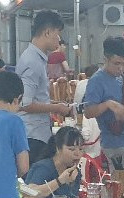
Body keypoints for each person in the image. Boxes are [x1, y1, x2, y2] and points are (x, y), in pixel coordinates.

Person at [84, 36, 124, 181]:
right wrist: (108, 104)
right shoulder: (97, 80)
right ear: (105, 59)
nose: (121, 68)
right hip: (115, 142)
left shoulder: (123, 75)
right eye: (116, 63)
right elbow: (88, 112)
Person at [17, 10, 74, 161]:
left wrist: (56, 103)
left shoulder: (37, 58)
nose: (59, 38)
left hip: (37, 134)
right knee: (34, 183)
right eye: (58, 33)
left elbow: (35, 97)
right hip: (32, 136)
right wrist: (56, 108)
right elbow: (24, 103)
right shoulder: (32, 61)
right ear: (47, 32)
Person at [19, 125, 82, 198]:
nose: (77, 153)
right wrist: (59, 181)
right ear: (58, 148)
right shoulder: (43, 167)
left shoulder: (75, 172)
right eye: (71, 149)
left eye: (80, 149)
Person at [73, 65, 102, 160]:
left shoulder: (80, 84)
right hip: (95, 150)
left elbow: (85, 135)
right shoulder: (95, 85)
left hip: (88, 152)